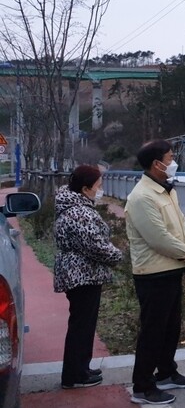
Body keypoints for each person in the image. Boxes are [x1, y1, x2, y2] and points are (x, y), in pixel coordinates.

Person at [124, 140, 185, 405]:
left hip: (172, 269)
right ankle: (143, 386)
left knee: (170, 327)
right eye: (170, 157)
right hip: (153, 273)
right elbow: (158, 238)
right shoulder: (141, 197)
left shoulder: (166, 190)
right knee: (153, 331)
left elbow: (181, 223)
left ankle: (166, 372)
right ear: (157, 164)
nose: (174, 161)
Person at [54, 165, 123, 390]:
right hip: (82, 274)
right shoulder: (79, 212)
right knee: (81, 325)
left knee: (82, 323)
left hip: (80, 273)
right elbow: (95, 246)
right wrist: (118, 255)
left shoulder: (74, 206)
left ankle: (81, 367)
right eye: (97, 186)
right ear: (85, 188)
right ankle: (75, 374)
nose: (99, 190)